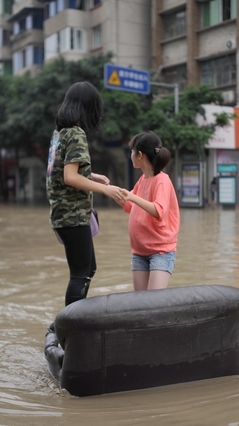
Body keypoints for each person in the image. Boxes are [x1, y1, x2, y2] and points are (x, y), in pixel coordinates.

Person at [46, 81, 124, 306]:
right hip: (73, 215)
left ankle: (73, 323)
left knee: (88, 268)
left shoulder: (59, 134)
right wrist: (106, 189)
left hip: (62, 214)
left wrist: (93, 175)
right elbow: (70, 177)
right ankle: (70, 328)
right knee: (81, 273)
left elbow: (62, 172)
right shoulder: (76, 134)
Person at [117, 131, 180, 291]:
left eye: (132, 151)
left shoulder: (162, 180)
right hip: (139, 251)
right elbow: (130, 206)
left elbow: (158, 210)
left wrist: (131, 196)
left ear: (140, 155)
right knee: (141, 305)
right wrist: (112, 191)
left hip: (160, 251)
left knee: (153, 303)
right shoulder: (142, 179)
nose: (130, 154)